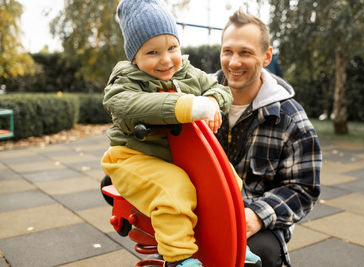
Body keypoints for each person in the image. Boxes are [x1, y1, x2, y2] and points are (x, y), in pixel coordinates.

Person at [101, 1, 260, 266]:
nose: (166, 59)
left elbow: (221, 90)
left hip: (175, 158)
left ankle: (233, 241)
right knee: (173, 187)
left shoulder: (187, 72)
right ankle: (180, 257)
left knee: (227, 179)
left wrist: (210, 99)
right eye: (152, 52)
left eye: (172, 48)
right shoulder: (124, 82)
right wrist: (186, 105)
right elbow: (128, 105)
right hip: (131, 158)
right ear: (134, 56)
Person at [215, 10, 322, 267]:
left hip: (259, 222)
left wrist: (256, 216)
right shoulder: (198, 102)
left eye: (245, 52)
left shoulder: (291, 119)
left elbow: (303, 188)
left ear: (266, 56)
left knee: (258, 255)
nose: (234, 62)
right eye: (227, 51)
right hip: (200, 213)